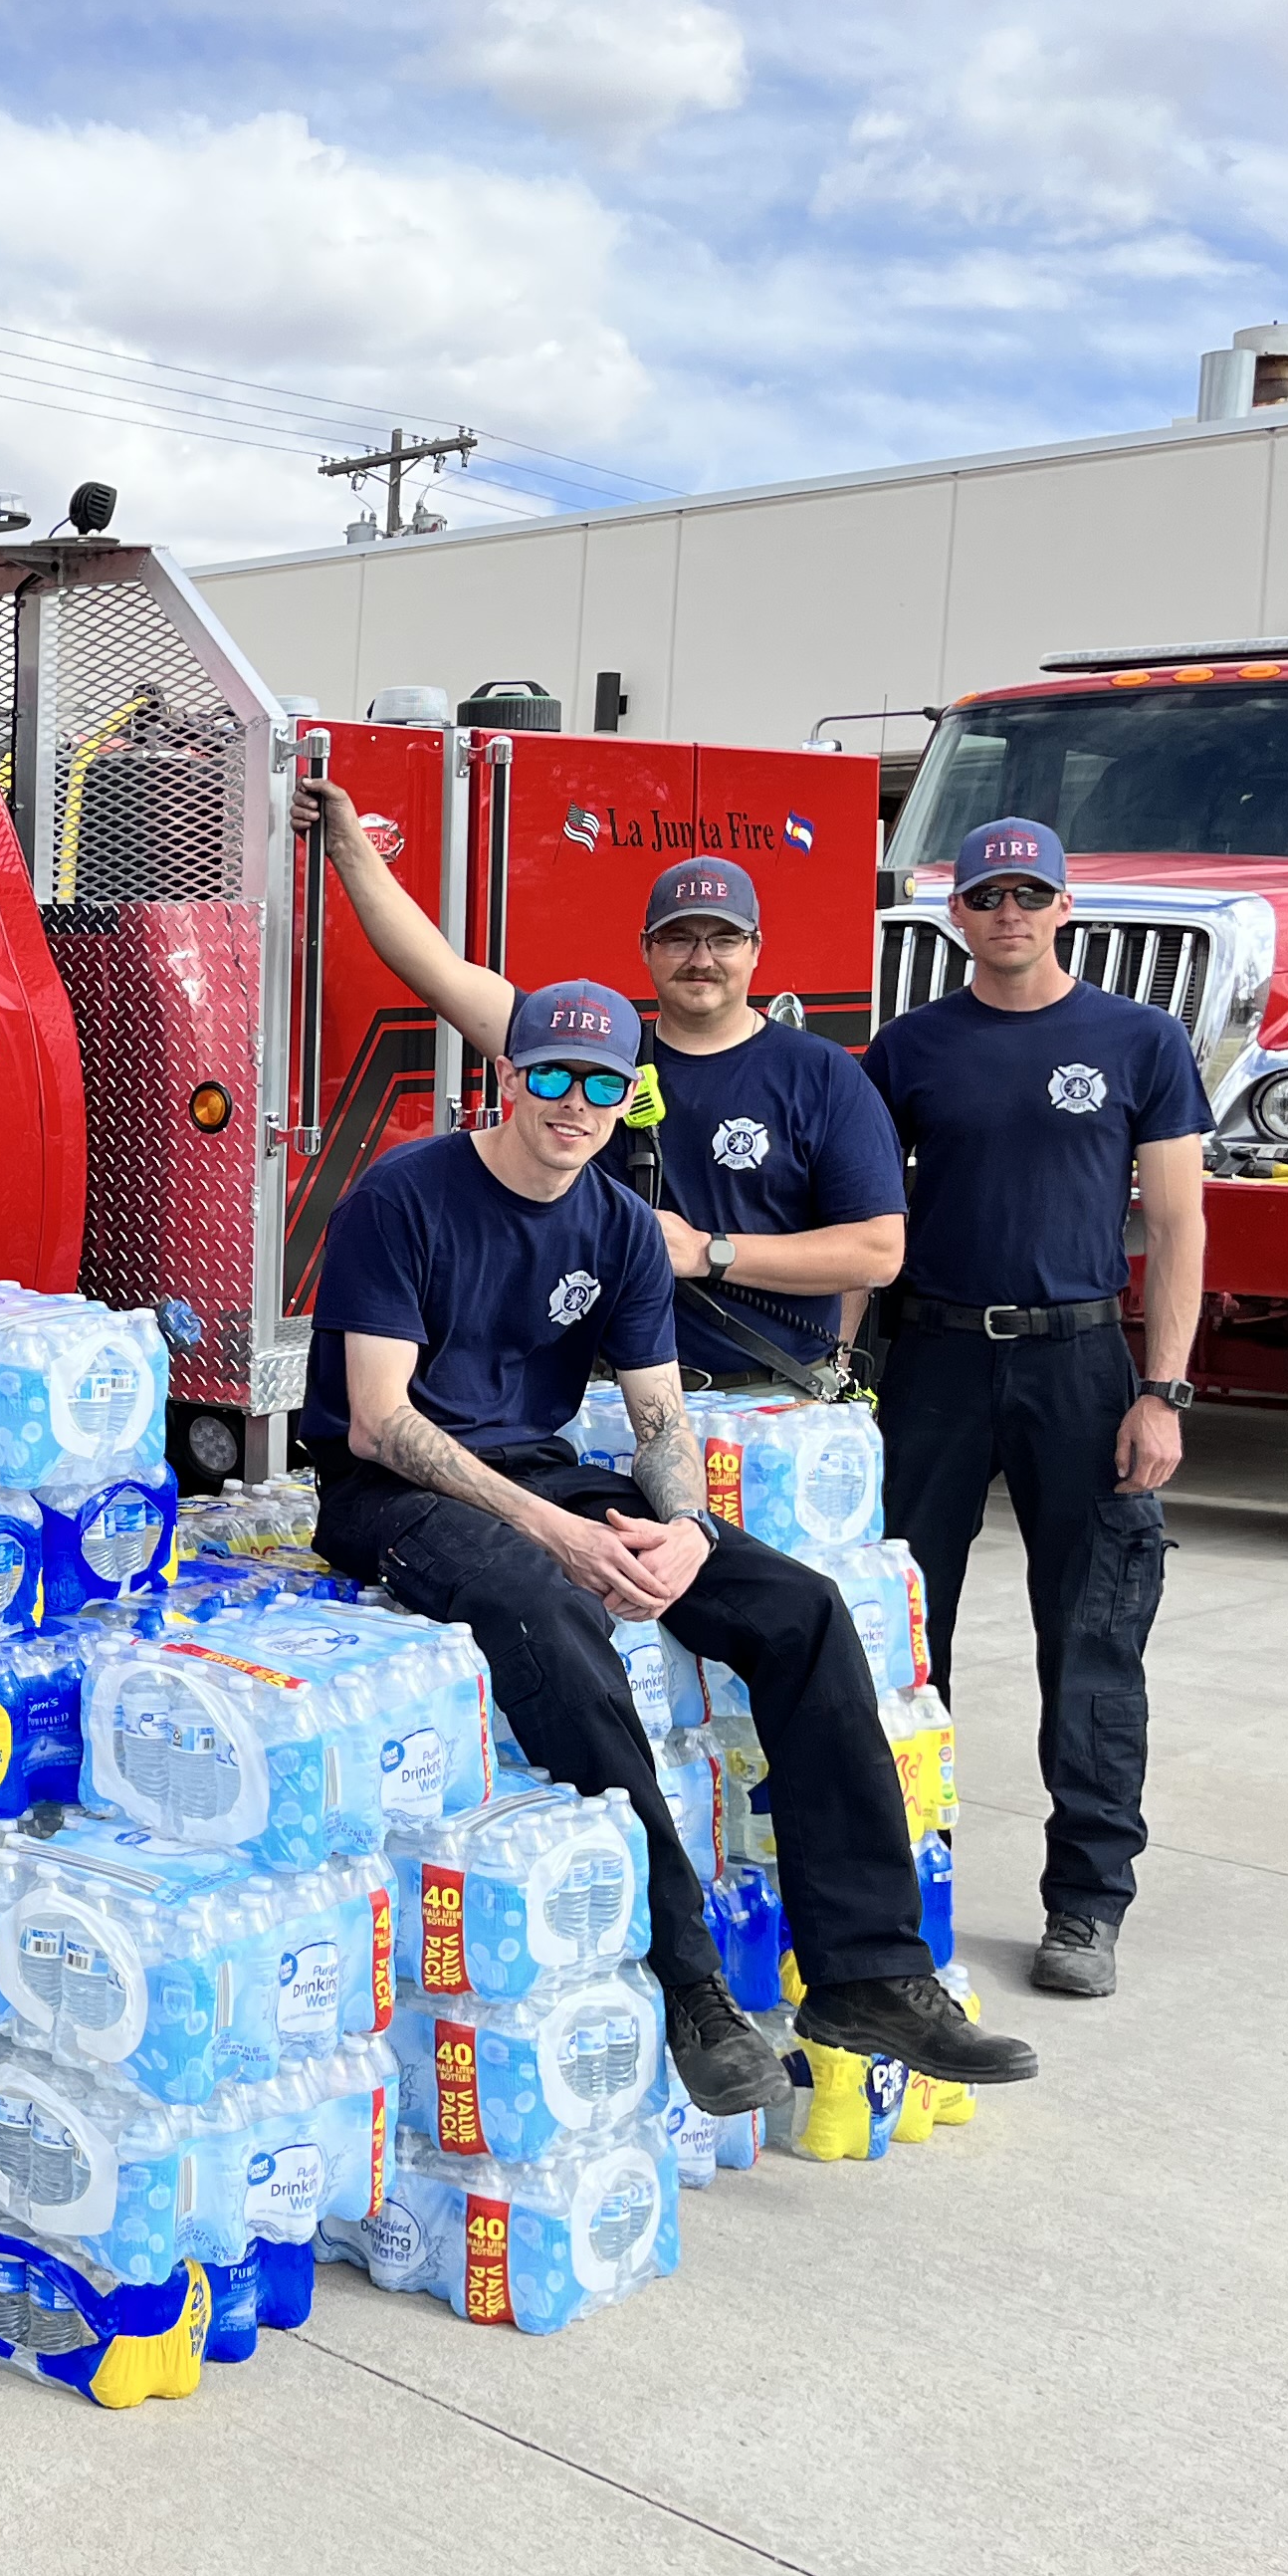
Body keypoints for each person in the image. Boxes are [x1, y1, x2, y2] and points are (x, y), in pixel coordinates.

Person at [300, 973, 1037, 2116]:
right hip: (387, 1492)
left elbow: (658, 1422)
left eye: (602, 1084)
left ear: (627, 1098)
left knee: (800, 1609)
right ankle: (691, 1984)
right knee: (553, 1608)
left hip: (539, 1469)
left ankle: (866, 1975)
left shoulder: (619, 1228)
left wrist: (685, 1528)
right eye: (552, 1075)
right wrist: (558, 1533)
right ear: (507, 1077)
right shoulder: (403, 1197)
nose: (575, 1103)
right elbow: (379, 1420)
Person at [862, 820, 1209, 2001]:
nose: (1007, 912)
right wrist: (841, 1375)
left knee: (1094, 1638)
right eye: (986, 895)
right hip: (935, 1361)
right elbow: (866, 1218)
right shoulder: (910, 1049)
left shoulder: (1139, 1040)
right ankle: (906, 1887)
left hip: (1080, 1369)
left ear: (1065, 908)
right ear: (956, 913)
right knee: (907, 1638)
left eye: (1029, 893)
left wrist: (1161, 1391)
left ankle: (1087, 1904)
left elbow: (1177, 1224)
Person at [301, 794, 908, 1391]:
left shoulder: (822, 1074)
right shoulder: (595, 1054)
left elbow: (878, 1253)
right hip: (606, 1402)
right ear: (646, 948)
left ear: (755, 950)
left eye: (723, 939)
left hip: (767, 1401)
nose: (701, 959)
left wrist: (708, 1252)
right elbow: (439, 973)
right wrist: (348, 844)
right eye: (678, 938)